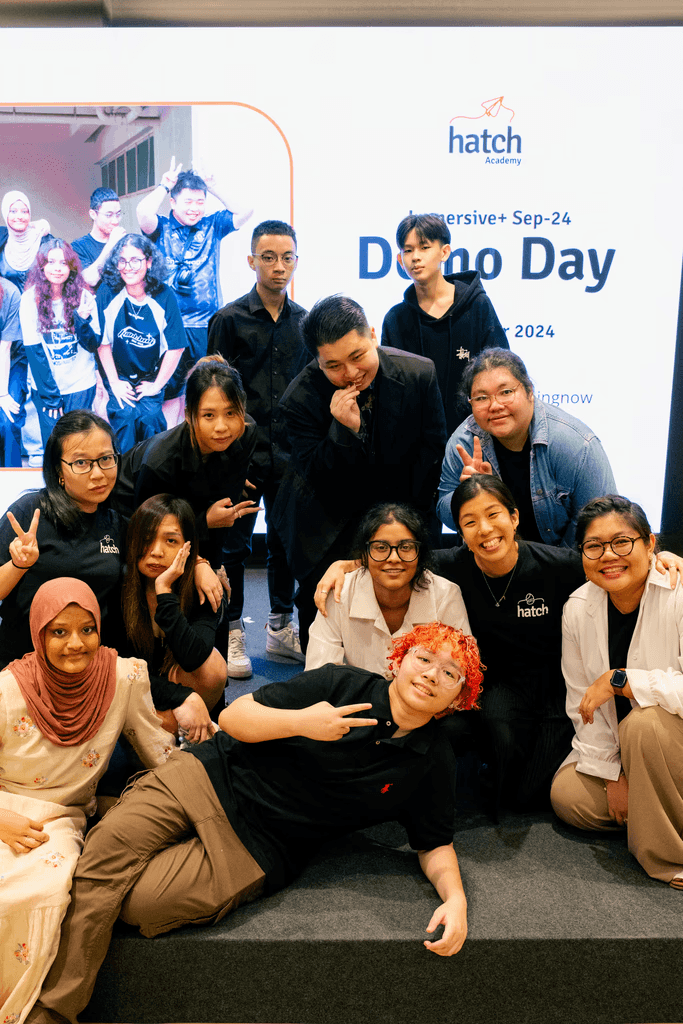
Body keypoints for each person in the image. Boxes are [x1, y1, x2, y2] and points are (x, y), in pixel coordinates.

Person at [26, 622, 483, 1024]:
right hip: (213, 775)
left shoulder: (434, 758)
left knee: (135, 905)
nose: (431, 674)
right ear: (400, 661)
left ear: (459, 698)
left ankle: (116, 812)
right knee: (104, 863)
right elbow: (232, 717)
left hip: (259, 844)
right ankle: (54, 1011)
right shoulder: (342, 683)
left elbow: (433, 842)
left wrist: (456, 898)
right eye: (424, 658)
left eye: (450, 674)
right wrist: (303, 721)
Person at [316, 479, 683, 817]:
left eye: (493, 515)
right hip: (499, 686)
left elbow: (608, 562)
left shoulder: (557, 565)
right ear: (461, 532)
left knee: (536, 795)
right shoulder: (449, 567)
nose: (485, 529)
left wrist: (659, 559)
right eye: (470, 521)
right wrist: (345, 565)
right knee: (512, 793)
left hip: (558, 685)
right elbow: (398, 559)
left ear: (514, 517)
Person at [0, 577, 174, 1024]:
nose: (75, 643)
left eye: (87, 629)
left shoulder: (124, 677)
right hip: (4, 810)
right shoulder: (8, 688)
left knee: (43, 890)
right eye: (59, 632)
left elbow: (158, 751)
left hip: (61, 818)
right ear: (38, 634)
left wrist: (208, 775)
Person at [271, 294, 447, 650]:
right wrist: (345, 431)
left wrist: (404, 529)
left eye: (357, 356)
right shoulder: (299, 398)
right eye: (334, 365)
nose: (350, 373)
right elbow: (320, 479)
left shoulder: (418, 374)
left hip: (401, 505)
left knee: (410, 629)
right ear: (318, 361)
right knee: (326, 623)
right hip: (327, 520)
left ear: (372, 335)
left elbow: (430, 459)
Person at [550, 496, 683, 887]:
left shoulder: (678, 592)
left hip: (670, 740)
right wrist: (612, 776)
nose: (608, 555)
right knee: (568, 796)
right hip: (631, 754)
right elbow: (581, 704)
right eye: (594, 546)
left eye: (622, 542)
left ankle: (667, 857)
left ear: (650, 543)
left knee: (643, 724)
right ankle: (654, 815)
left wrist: (622, 681)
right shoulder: (578, 607)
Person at [207, 219, 308, 675]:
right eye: (268, 257)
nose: (278, 266)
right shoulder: (228, 320)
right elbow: (214, 394)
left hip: (289, 456)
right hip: (241, 457)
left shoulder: (305, 322)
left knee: (285, 544)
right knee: (233, 547)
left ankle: (280, 627)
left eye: (287, 257)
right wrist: (230, 456)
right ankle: (231, 632)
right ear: (252, 261)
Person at [437, 348, 616, 547]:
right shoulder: (464, 442)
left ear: (529, 391)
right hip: (493, 556)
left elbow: (602, 523)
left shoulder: (575, 445)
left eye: (506, 392)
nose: (494, 406)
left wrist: (550, 562)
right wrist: (468, 494)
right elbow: (444, 507)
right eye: (481, 398)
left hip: (565, 559)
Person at [136, 158, 252, 421]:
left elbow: (246, 210)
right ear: (172, 202)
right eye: (188, 201)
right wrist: (164, 185)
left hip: (206, 326)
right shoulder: (161, 227)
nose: (195, 208)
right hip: (169, 326)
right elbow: (143, 213)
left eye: (200, 202)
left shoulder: (213, 225)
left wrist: (214, 187)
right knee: (168, 393)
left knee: (208, 390)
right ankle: (170, 440)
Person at [381, 213, 508, 436]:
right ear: (400, 260)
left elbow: (501, 370)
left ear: (445, 252)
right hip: (415, 443)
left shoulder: (477, 306)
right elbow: (389, 390)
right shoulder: (395, 319)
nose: (415, 257)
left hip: (472, 436)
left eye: (424, 247)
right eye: (408, 250)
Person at [307, 502, 470, 676]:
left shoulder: (446, 595)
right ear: (364, 554)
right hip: (355, 694)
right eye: (381, 547)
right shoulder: (340, 592)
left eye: (405, 547)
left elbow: (461, 673)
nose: (393, 558)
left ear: (420, 553)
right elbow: (318, 676)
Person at [121, 494, 227, 722]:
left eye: (171, 541)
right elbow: (120, 667)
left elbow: (194, 658)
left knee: (213, 667)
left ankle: (189, 730)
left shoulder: (205, 587)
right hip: (133, 690)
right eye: (147, 538)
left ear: (188, 546)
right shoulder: (120, 586)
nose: (156, 551)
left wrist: (164, 592)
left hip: (185, 691)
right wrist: (181, 698)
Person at [96, 233, 187, 451]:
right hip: (119, 374)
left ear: (149, 262)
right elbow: (102, 343)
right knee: (125, 414)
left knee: (150, 417)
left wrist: (157, 385)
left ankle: (149, 469)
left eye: (135, 260)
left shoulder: (164, 295)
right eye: (122, 261)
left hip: (150, 375)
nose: (128, 267)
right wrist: (114, 383)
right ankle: (123, 470)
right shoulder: (107, 292)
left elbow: (176, 346)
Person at [19, 240, 99, 447]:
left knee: (80, 445)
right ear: (41, 266)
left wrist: (81, 320)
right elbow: (34, 352)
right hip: (46, 387)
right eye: (51, 262)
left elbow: (92, 345)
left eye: (63, 263)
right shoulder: (29, 299)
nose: (57, 268)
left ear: (71, 267)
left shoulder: (85, 297)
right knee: (54, 447)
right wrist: (51, 397)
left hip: (80, 384)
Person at [71, 188, 125, 290]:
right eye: (108, 215)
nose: (115, 221)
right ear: (93, 214)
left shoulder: (124, 242)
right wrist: (111, 244)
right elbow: (90, 279)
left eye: (118, 214)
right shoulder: (78, 246)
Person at [0, 273, 24, 465]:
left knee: (9, 419)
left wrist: (2, 394)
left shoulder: (10, 292)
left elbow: (5, 347)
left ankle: (12, 473)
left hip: (12, 359)